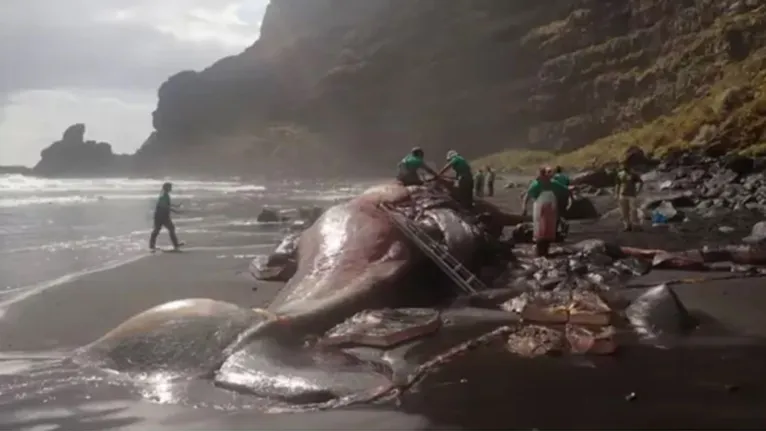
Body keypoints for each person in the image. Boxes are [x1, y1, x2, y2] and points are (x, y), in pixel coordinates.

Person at [521, 167, 571, 256]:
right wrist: (524, 207)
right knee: (539, 231)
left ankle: (546, 252)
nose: (538, 179)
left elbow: (566, 191)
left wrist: (569, 202)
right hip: (539, 210)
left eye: (540, 177)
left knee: (549, 231)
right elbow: (527, 196)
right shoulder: (536, 185)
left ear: (545, 176)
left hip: (551, 210)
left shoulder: (554, 184)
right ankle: (539, 252)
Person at [149, 182, 183, 251]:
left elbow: (166, 204)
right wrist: (175, 211)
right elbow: (164, 206)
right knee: (168, 228)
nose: (171, 188)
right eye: (170, 187)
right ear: (166, 188)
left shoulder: (164, 194)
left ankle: (152, 246)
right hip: (161, 215)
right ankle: (175, 245)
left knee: (159, 229)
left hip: (161, 215)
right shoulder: (164, 195)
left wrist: (175, 206)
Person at [615, 161, 643, 231]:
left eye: (625, 165)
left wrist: (638, 190)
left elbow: (641, 182)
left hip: (632, 195)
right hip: (622, 195)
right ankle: (627, 225)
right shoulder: (620, 174)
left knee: (633, 210)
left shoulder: (633, 174)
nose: (624, 167)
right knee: (624, 211)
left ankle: (636, 225)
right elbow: (617, 184)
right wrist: (616, 194)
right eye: (622, 165)